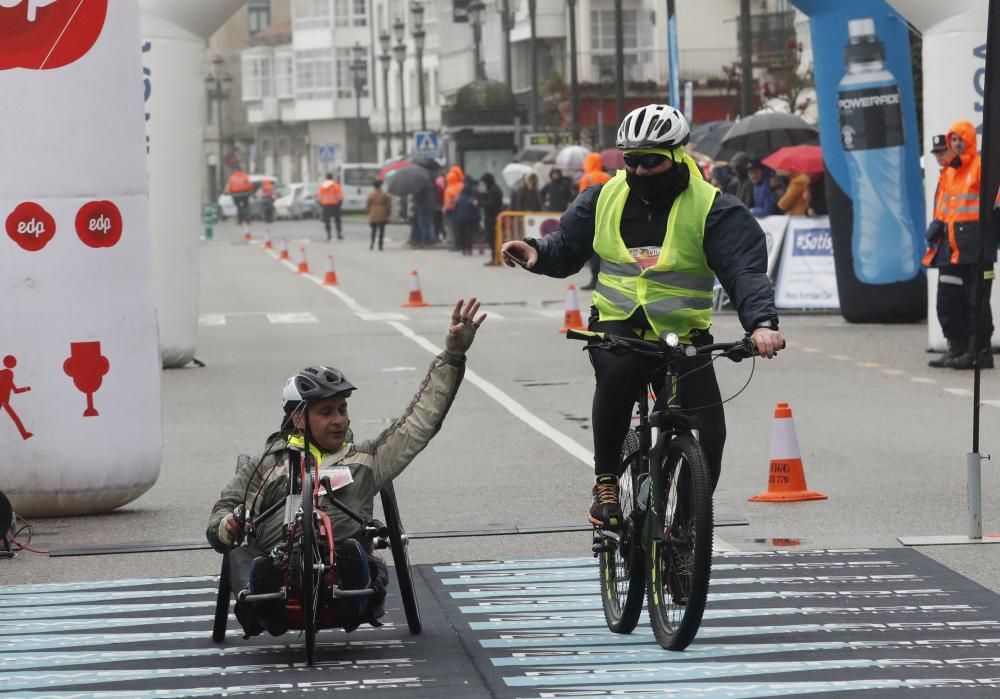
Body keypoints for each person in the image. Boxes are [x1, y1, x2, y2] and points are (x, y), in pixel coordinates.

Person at [501, 103, 782, 529]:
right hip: (619, 324)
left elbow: (744, 270)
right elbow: (566, 247)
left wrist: (761, 324)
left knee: (710, 433)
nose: (641, 171)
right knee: (618, 373)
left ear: (676, 157)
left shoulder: (714, 208)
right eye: (631, 161)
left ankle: (685, 532)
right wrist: (536, 252)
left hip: (683, 333)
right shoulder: (603, 197)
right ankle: (607, 481)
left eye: (652, 161)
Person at [207, 299, 487, 637]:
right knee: (242, 557)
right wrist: (229, 524)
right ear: (299, 418)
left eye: (342, 409)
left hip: (344, 572)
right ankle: (266, 600)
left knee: (357, 557)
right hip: (277, 569)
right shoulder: (266, 465)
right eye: (326, 412)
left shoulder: (365, 459)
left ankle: (354, 587)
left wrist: (452, 356)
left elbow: (418, 423)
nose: (339, 420)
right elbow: (219, 522)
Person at [922, 123, 995, 369]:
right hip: (954, 249)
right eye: (952, 141)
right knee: (952, 300)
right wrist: (938, 226)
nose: (954, 146)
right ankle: (960, 347)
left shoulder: (980, 167)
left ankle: (979, 351)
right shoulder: (952, 173)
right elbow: (948, 209)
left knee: (977, 302)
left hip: (976, 246)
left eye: (958, 141)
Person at [452, 176, 482, 256]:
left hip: (460, 219)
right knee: (469, 234)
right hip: (470, 218)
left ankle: (464, 249)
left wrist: (455, 219)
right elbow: (475, 209)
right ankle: (469, 249)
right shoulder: (471, 200)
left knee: (462, 234)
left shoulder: (458, 200)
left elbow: (455, 211)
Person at [479, 172, 504, 260]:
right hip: (492, 217)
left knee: (493, 238)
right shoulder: (493, 189)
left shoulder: (494, 190)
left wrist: (481, 201)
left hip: (493, 218)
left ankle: (495, 258)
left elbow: (490, 205)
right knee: (492, 238)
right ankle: (494, 257)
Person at [226, 169, 254, 237]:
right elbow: (249, 185)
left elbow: (229, 186)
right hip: (245, 193)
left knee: (238, 207)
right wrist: (250, 191)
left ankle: (240, 220)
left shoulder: (232, 177)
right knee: (246, 206)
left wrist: (230, 193)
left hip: (235, 194)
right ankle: (247, 219)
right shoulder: (245, 176)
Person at [366, 179, 391, 251]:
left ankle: (372, 243)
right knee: (382, 230)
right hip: (382, 212)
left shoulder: (371, 194)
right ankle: (380, 245)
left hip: (373, 212)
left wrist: (368, 212)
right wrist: (388, 213)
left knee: (373, 229)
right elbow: (388, 205)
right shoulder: (384, 194)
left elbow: (368, 204)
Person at [318, 173, 344, 241]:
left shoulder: (322, 186)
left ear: (326, 178)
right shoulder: (335, 185)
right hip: (335, 205)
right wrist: (339, 204)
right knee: (337, 220)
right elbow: (340, 196)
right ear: (332, 178)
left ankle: (329, 234)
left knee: (327, 221)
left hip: (326, 205)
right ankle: (339, 234)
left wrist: (322, 204)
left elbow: (319, 197)